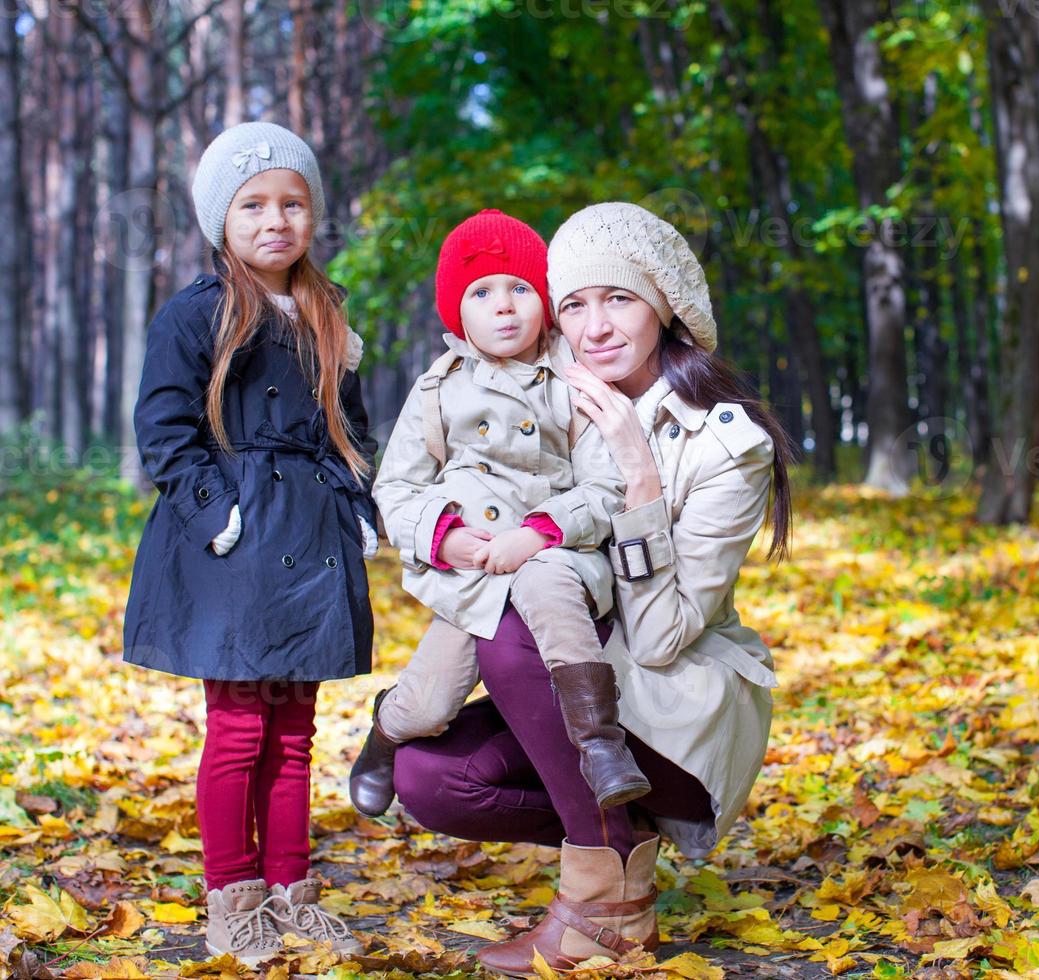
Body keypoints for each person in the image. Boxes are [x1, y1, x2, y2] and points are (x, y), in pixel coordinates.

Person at [393, 202, 795, 975]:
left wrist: (638, 476)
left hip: (670, 710)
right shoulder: (536, 399)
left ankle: (604, 902)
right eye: (574, 303)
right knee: (428, 778)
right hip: (575, 694)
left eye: (620, 299)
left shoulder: (727, 444)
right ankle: (619, 841)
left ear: (665, 310)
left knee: (522, 608)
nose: (596, 326)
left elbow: (663, 635)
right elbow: (427, 491)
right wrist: (453, 535)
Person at [122, 121, 374, 965]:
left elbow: (351, 429)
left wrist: (359, 505)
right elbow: (163, 425)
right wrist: (213, 509)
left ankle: (290, 890)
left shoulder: (326, 314)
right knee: (238, 728)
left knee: (297, 728)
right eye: (254, 205)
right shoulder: (198, 311)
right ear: (222, 220)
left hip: (309, 536)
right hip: (231, 545)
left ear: (312, 215)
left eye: (293, 203)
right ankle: (233, 898)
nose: (276, 220)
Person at [352, 208, 648, 816]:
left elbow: (607, 483)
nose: (505, 306)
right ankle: (386, 731)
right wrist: (444, 538)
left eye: (520, 289)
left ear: (543, 299)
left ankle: (600, 744)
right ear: (456, 312)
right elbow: (397, 488)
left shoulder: (572, 378)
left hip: (553, 555)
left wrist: (542, 532)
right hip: (474, 573)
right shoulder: (438, 389)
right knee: (429, 704)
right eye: (482, 292)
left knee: (555, 601)